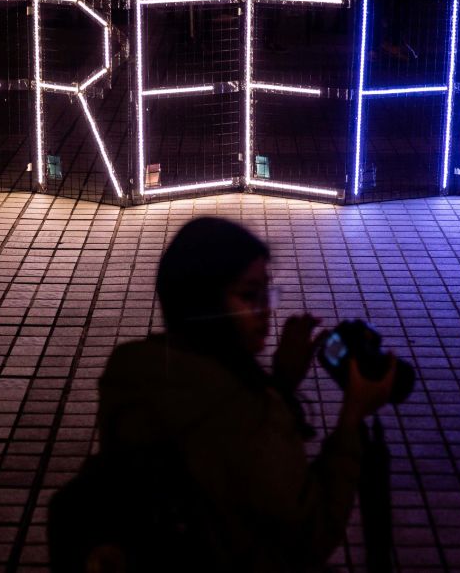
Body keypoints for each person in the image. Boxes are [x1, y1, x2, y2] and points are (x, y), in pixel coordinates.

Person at [95, 216, 396, 572]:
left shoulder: (131, 371)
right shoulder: (241, 416)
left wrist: (280, 384)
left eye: (267, 292)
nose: (266, 309)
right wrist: (351, 418)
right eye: (249, 295)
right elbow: (311, 534)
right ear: (203, 302)